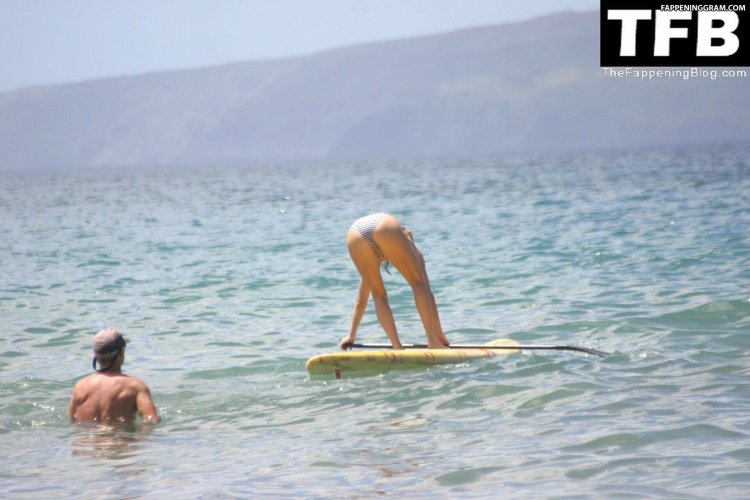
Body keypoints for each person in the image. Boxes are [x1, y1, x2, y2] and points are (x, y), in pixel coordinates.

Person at [339, 213, 450, 350]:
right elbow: (428, 294)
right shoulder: (411, 247)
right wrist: (439, 335)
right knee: (418, 284)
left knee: (378, 295)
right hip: (383, 225)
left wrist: (351, 335)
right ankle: (432, 341)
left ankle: (396, 346)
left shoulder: (376, 254)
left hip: (355, 233)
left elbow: (361, 301)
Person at [68, 328, 160, 424]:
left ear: (95, 355)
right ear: (121, 353)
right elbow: (151, 419)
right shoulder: (135, 386)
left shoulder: (79, 386)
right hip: (119, 433)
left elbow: (71, 419)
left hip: (86, 433)